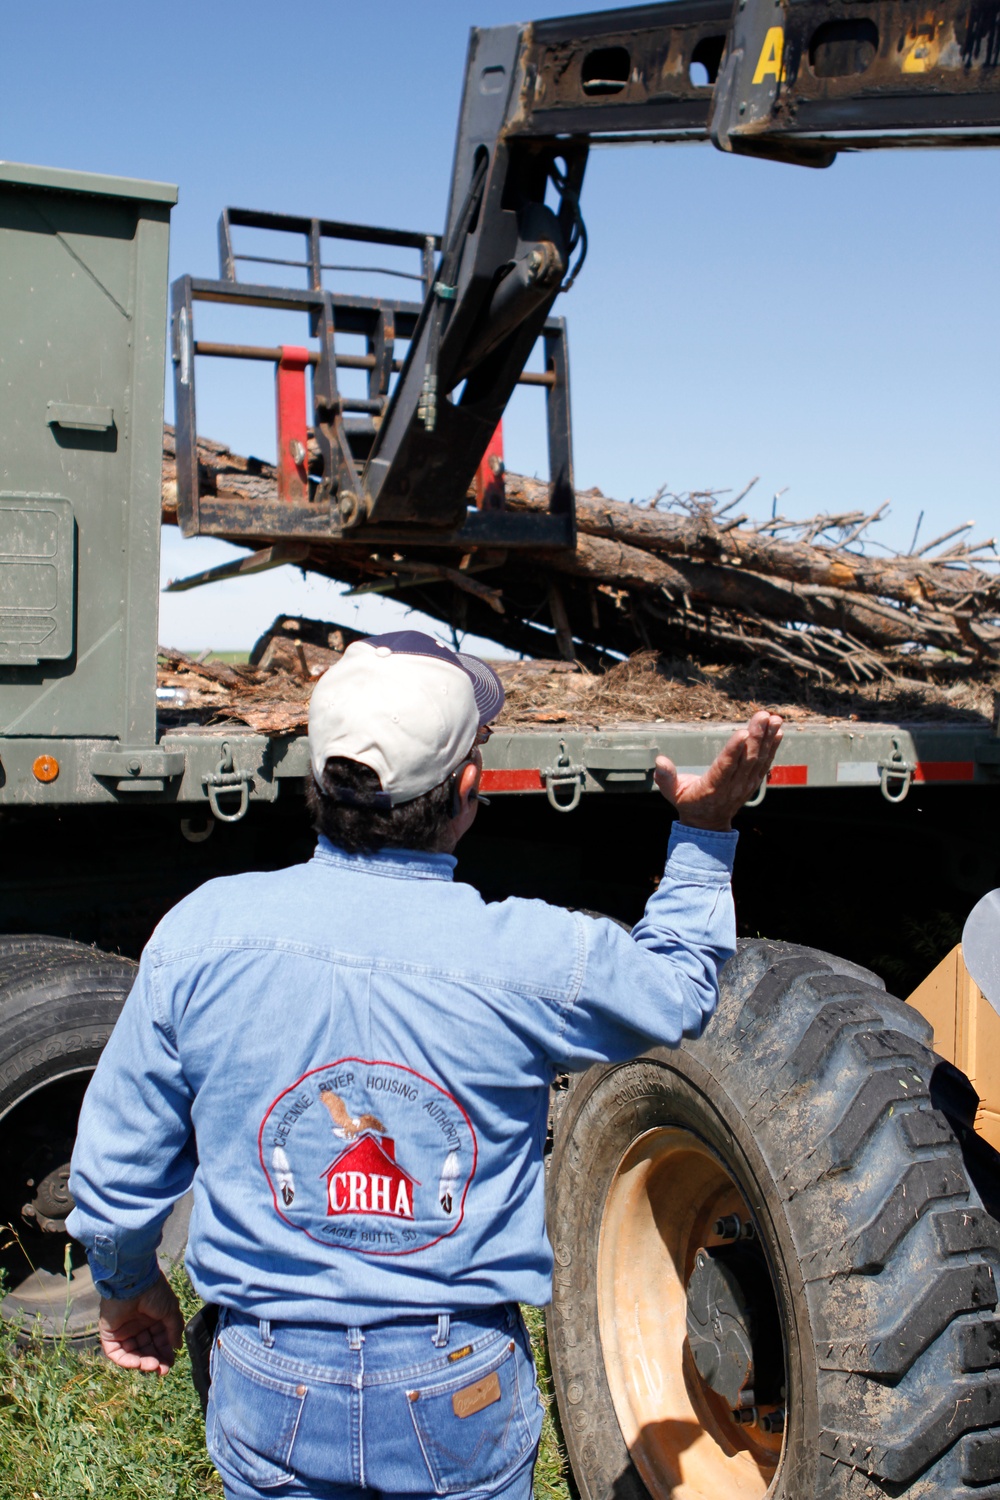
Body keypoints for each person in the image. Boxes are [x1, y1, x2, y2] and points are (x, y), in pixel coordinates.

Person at [68, 629, 782, 1500]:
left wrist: (127, 1285)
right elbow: (679, 991)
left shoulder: (200, 934)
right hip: (456, 1378)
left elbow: (117, 1170)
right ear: (469, 792)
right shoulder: (531, 954)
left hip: (267, 1365)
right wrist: (704, 832)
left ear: (315, 784)